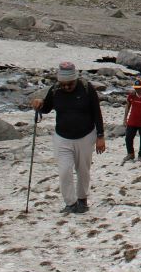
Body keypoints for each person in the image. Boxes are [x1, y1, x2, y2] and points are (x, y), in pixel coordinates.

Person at [30, 61, 105, 214]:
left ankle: (82, 199)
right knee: (64, 170)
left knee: (83, 169)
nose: (66, 87)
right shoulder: (55, 89)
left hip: (85, 136)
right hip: (62, 137)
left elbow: (97, 112)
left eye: (69, 84)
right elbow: (46, 108)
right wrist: (39, 104)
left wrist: (100, 136)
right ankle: (70, 203)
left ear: (75, 79)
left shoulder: (86, 88)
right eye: (63, 84)